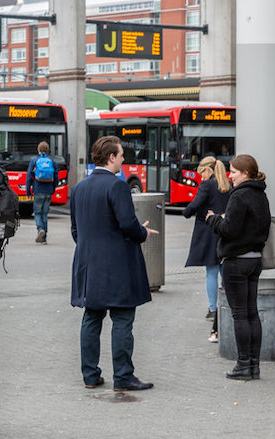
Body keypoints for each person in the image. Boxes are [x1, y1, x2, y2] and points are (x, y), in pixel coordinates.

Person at [70, 135, 158, 392]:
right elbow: (128, 225)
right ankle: (123, 376)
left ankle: (90, 375)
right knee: (122, 318)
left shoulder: (79, 188)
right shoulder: (117, 186)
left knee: (92, 317)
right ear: (111, 157)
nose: (123, 160)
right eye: (121, 155)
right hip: (117, 265)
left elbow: (76, 230)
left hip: (88, 264)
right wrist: (142, 232)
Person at [206, 154, 271, 381]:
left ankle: (243, 364)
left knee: (240, 314)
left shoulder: (239, 195)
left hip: (236, 262)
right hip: (255, 260)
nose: (230, 175)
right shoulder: (260, 194)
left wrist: (213, 219)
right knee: (252, 313)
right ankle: (254, 365)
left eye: (233, 171)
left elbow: (229, 229)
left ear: (245, 173)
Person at [182, 156, 231, 341]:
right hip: (224, 230)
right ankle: (226, 303)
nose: (200, 177)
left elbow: (196, 203)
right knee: (224, 269)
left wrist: (186, 212)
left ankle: (212, 309)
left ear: (208, 170)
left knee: (211, 271)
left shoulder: (207, 185)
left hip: (209, 231)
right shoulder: (227, 184)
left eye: (201, 173)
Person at [26, 141, 57, 244]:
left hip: (38, 190)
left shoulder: (34, 160)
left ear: (38, 149)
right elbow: (56, 176)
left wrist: (28, 192)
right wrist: (53, 188)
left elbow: (29, 177)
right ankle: (44, 239)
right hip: (48, 191)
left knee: (37, 213)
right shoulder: (52, 161)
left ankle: (40, 229)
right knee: (44, 214)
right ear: (47, 150)